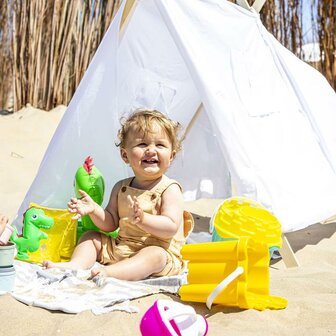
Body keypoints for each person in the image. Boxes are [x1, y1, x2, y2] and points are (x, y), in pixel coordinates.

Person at [43, 109, 194, 281]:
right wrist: (94, 210)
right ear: (125, 155)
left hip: (159, 252)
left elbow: (171, 227)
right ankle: (75, 266)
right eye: (142, 144)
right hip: (122, 248)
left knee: (155, 255)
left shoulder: (170, 189)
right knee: (91, 237)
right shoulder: (121, 187)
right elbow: (110, 223)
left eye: (160, 145)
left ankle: (110, 273)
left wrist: (144, 219)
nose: (151, 150)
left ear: (172, 156)